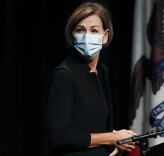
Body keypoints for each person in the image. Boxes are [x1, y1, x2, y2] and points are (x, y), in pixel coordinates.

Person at [45, 2, 137, 156]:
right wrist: (111, 138)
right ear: (72, 35)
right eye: (80, 30)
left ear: (105, 36)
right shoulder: (64, 75)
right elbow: (58, 136)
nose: (86, 36)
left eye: (94, 30)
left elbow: (89, 125)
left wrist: (117, 137)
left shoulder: (102, 71)